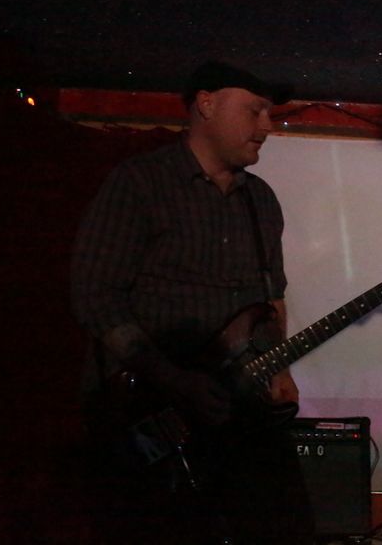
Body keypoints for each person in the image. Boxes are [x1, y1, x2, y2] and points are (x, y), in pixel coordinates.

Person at [71, 61, 314, 544]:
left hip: (237, 407)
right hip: (150, 409)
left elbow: (271, 296)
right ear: (206, 104)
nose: (267, 125)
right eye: (254, 111)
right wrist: (175, 380)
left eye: (269, 113)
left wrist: (279, 366)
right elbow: (94, 296)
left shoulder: (261, 200)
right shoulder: (140, 183)